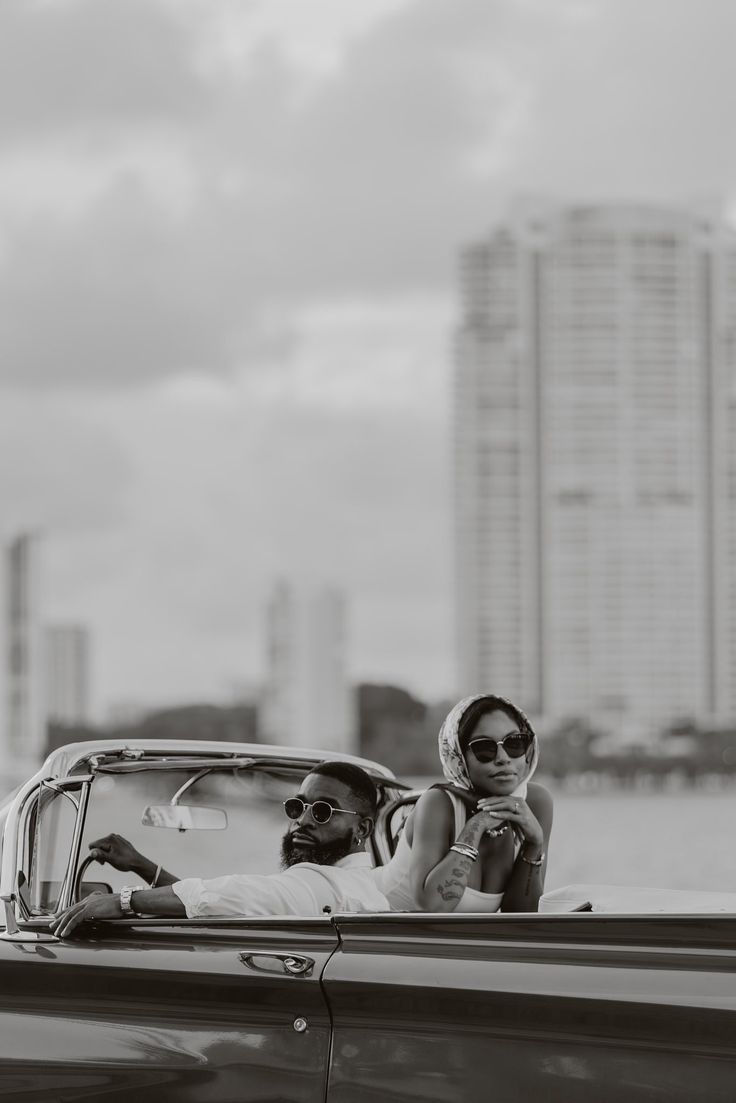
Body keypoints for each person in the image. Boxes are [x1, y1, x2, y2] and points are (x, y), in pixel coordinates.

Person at [50, 761, 389, 938]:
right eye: (296, 807)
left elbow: (237, 893)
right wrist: (143, 865)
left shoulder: (327, 886)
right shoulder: (359, 887)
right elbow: (216, 905)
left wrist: (122, 901)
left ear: (362, 828)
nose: (302, 820)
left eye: (322, 811)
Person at [373, 694, 553, 913]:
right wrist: (475, 828)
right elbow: (432, 908)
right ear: (459, 757)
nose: (503, 758)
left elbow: (521, 914)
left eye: (515, 743)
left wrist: (534, 844)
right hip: (372, 924)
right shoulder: (439, 802)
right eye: (484, 748)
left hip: (446, 943)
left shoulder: (536, 803)